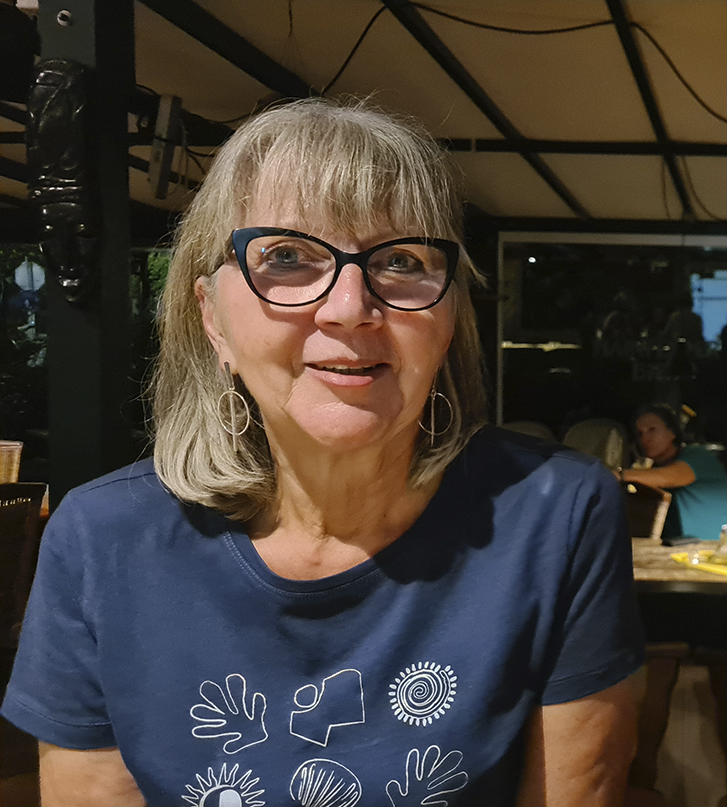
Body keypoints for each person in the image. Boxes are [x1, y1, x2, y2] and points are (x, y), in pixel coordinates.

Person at [2, 99, 644, 805]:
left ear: (449, 318)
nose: (349, 308)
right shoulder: (102, 539)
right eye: (286, 257)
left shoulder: (555, 514)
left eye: (401, 261)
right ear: (212, 318)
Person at [620, 404, 727, 541]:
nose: (645, 439)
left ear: (672, 433)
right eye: (640, 434)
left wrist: (617, 475)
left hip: (715, 546)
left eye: (652, 430)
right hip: (679, 546)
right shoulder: (656, 468)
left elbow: (666, 477)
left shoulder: (698, 456)